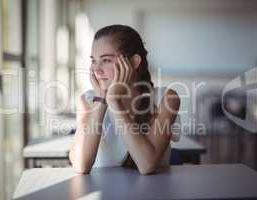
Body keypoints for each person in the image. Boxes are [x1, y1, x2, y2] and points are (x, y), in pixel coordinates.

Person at [69, 24, 180, 175]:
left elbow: (146, 165)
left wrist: (114, 102)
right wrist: (101, 100)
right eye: (93, 61)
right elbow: (81, 166)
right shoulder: (88, 101)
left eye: (106, 60)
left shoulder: (166, 98)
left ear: (134, 62)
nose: (96, 69)